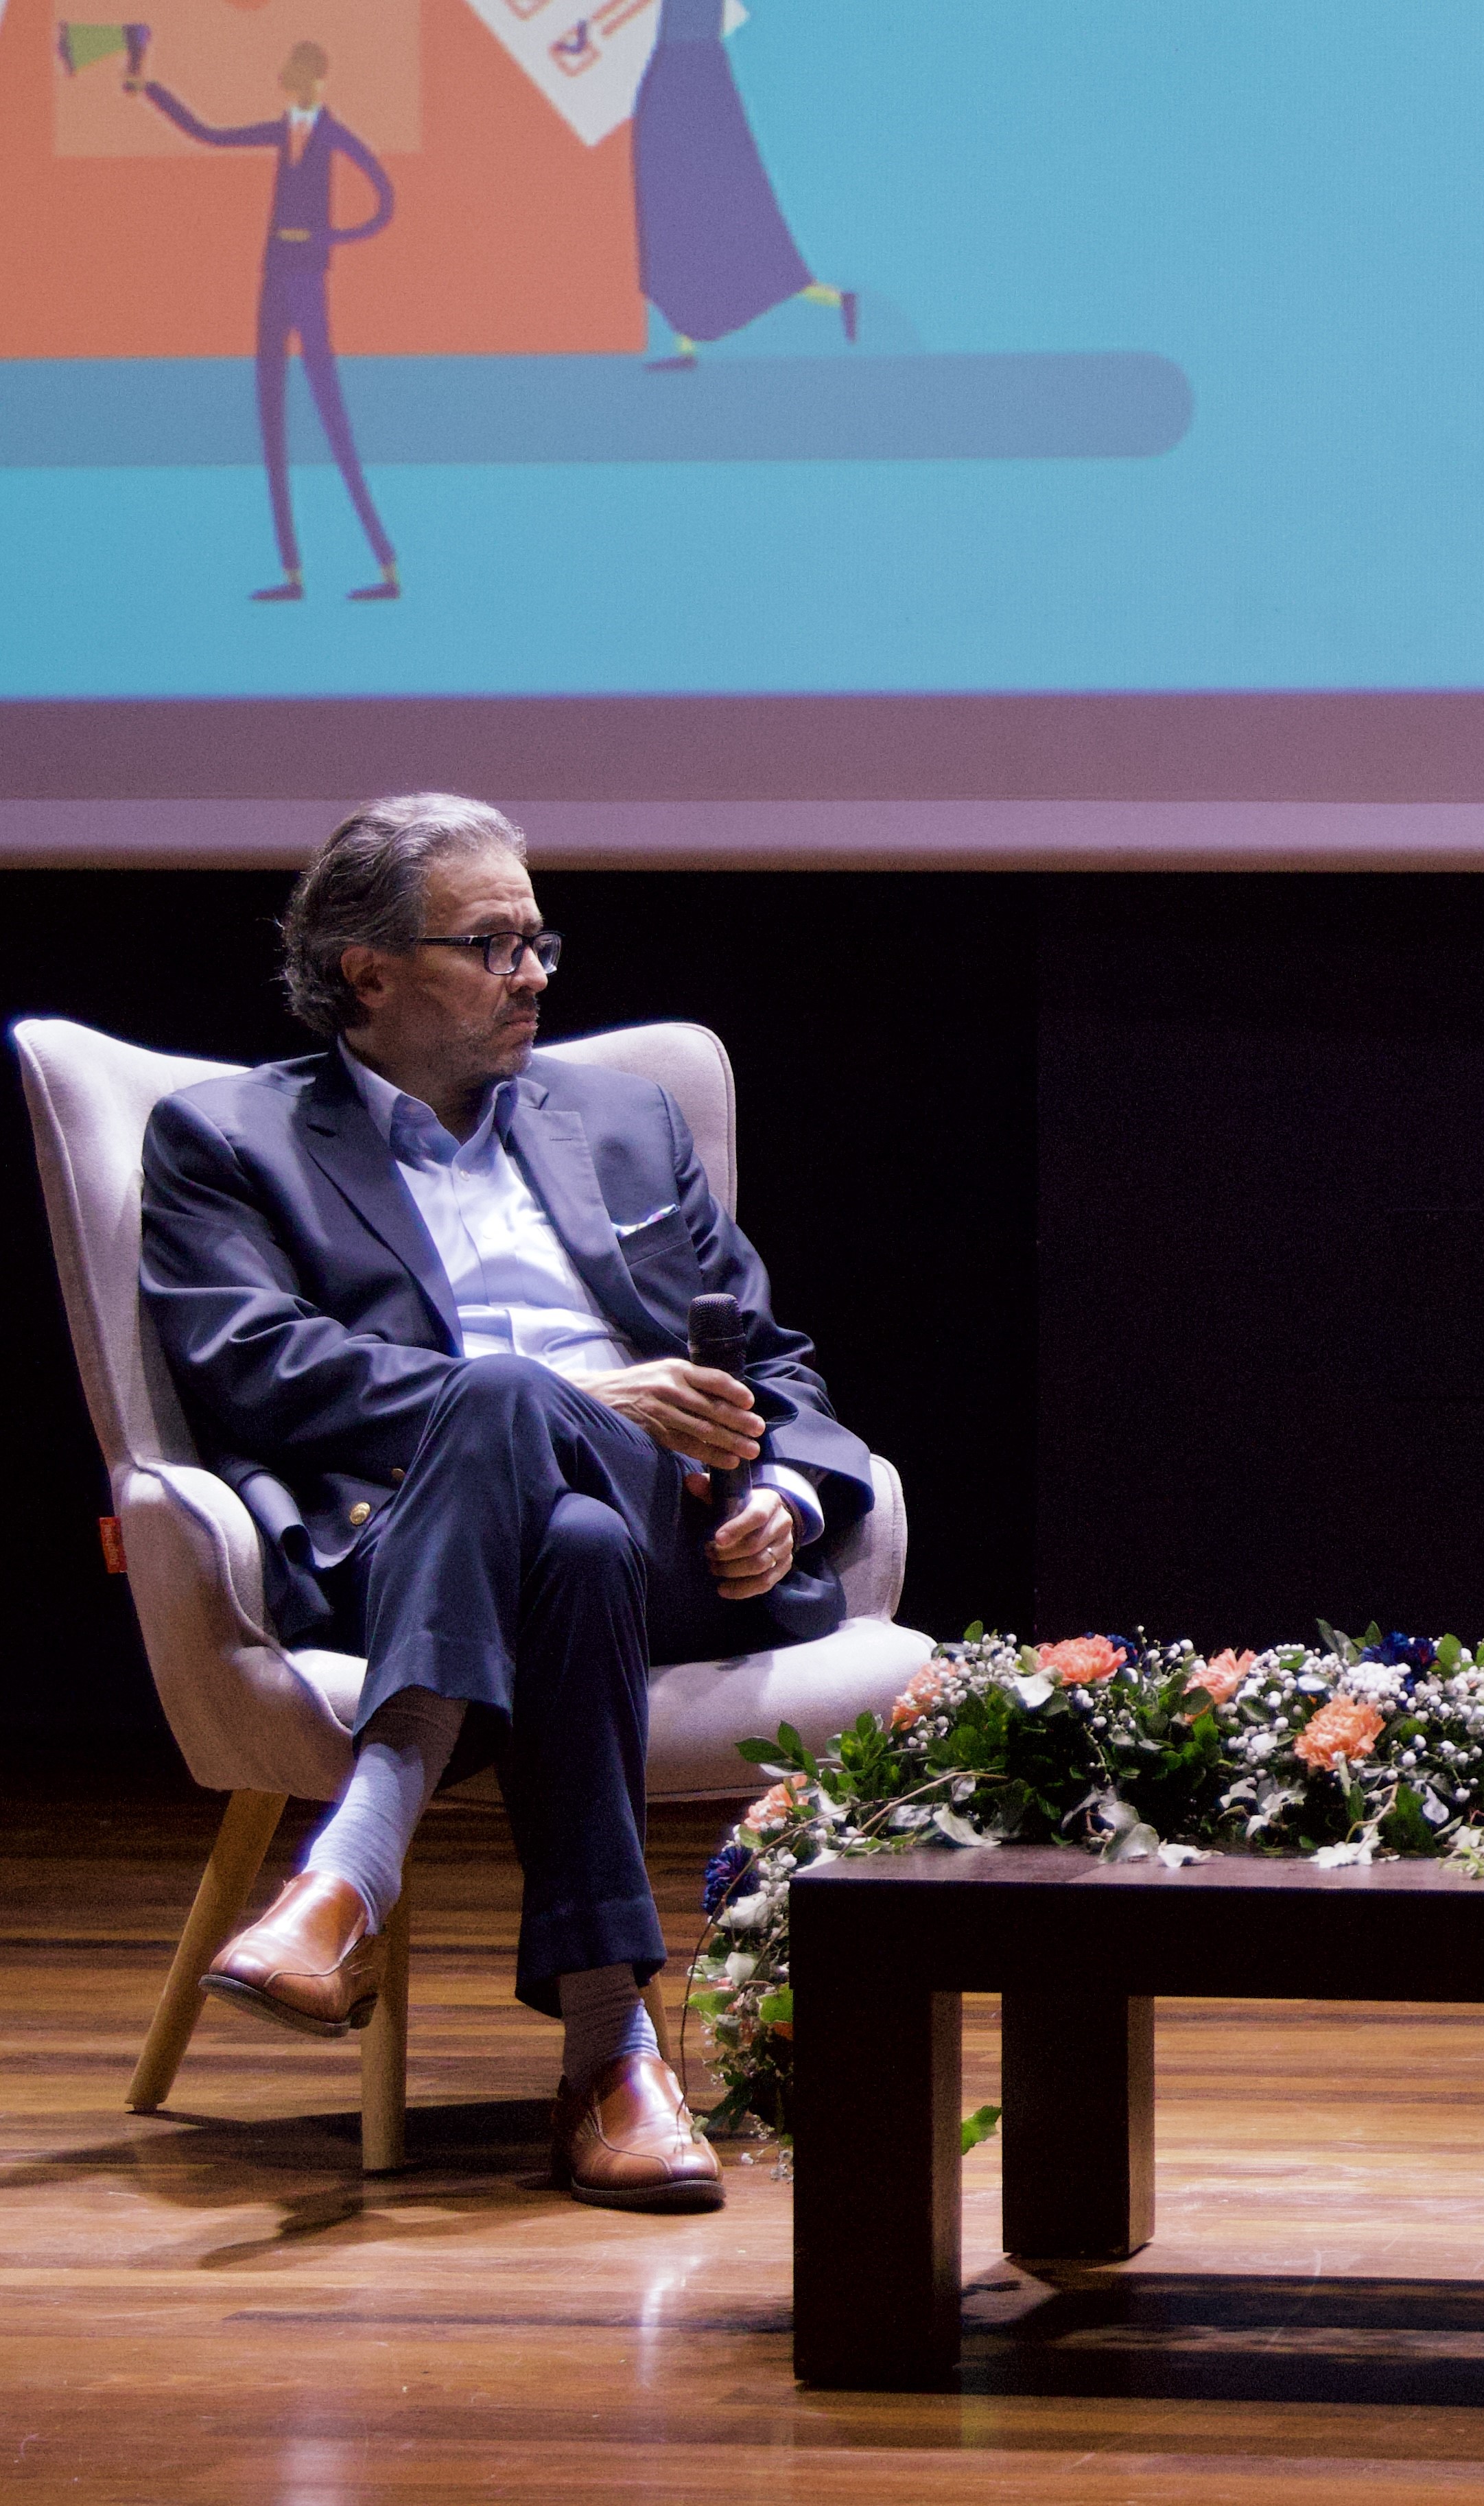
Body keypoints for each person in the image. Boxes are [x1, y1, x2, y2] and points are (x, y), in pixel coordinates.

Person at [140, 795, 873, 2212]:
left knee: (556, 1453)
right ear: (368, 972)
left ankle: (351, 1868)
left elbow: (775, 1362)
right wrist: (571, 1399)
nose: (536, 971)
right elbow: (253, 1366)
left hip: (689, 1543)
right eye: (493, 944)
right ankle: (613, 2055)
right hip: (408, 1543)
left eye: (541, 939)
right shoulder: (226, 1135)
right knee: (552, 1499)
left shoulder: (620, 1118)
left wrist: (782, 1485)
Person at [140, 42, 404, 602]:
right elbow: (210, 135)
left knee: (332, 416)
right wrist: (151, 89)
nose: (292, 83)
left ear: (318, 80)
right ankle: (292, 574)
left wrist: (329, 238)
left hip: (307, 281)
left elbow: (385, 203)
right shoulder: (282, 129)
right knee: (270, 416)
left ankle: (387, 566)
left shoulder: (333, 134)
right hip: (273, 280)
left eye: (300, 75)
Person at [631, 0, 857, 368]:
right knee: (679, 206)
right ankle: (685, 343)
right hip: (686, 73)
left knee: (683, 203)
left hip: (686, 75)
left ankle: (688, 341)